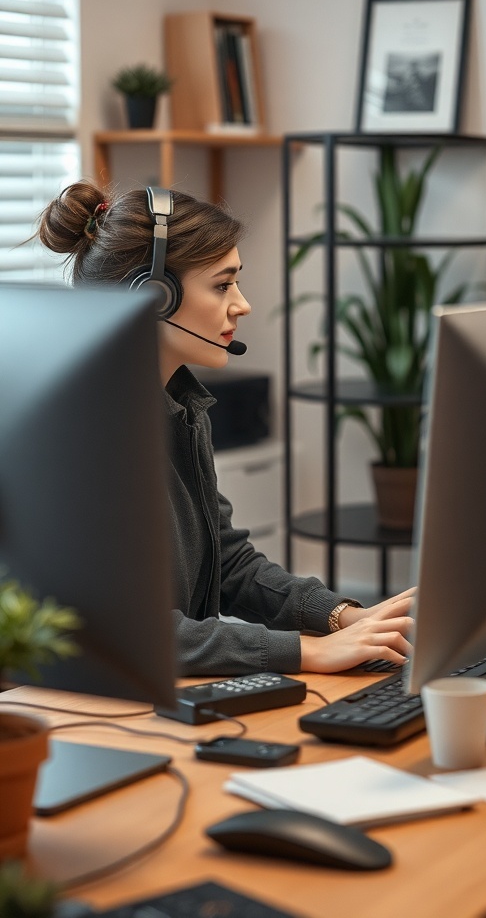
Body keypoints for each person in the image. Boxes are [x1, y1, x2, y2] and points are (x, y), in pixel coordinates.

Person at [34, 181, 415, 676]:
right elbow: (120, 627)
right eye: (222, 284)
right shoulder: (80, 433)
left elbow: (228, 562)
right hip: (97, 708)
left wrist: (343, 617)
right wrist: (306, 651)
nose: (242, 304)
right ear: (153, 297)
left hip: (172, 690)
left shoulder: (180, 407)